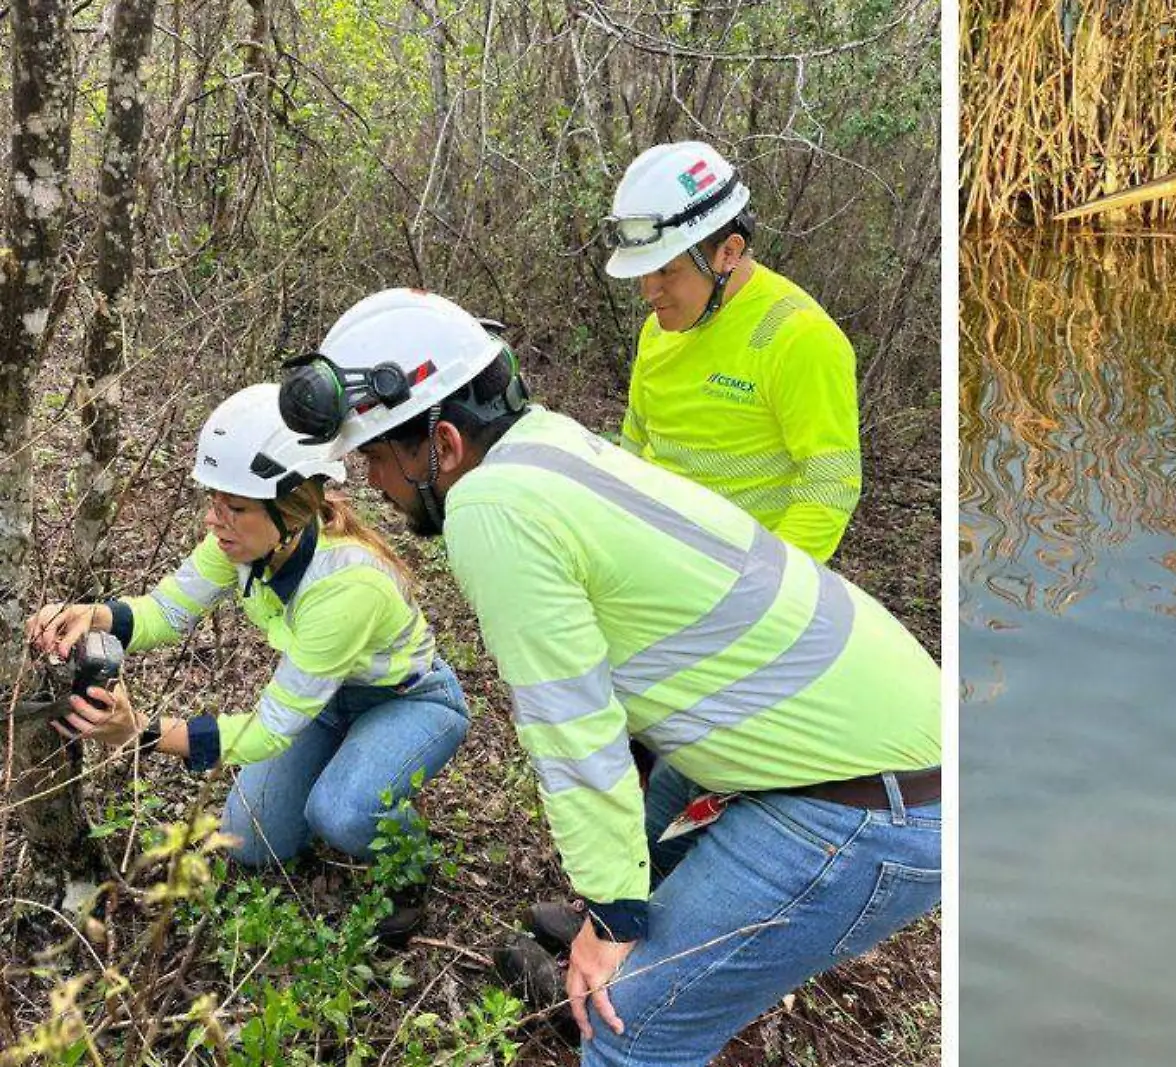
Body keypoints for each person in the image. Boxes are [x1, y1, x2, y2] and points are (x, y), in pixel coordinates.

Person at [277, 288, 940, 1064]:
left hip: (863, 806)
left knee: (634, 1028)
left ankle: (621, 980)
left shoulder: (491, 508)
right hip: (872, 727)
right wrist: (613, 897)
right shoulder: (550, 441)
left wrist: (614, 916)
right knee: (649, 842)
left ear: (444, 445)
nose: (377, 485)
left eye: (378, 457)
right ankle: (624, 946)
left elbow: (572, 727)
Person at [30, 384, 469, 942]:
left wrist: (140, 733)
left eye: (235, 507)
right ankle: (350, 777)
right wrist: (91, 615)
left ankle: (404, 856)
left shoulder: (346, 586)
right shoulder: (242, 542)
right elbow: (166, 611)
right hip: (330, 701)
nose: (217, 522)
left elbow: (268, 731)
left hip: (410, 702)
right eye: (215, 501)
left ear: (292, 508)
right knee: (252, 840)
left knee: (342, 814)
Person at [601, 141, 863, 563]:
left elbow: (829, 484)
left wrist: (767, 587)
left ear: (729, 252)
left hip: (741, 581)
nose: (648, 291)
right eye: (643, 272)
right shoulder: (659, 328)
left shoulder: (799, 338)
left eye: (666, 270)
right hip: (652, 567)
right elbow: (636, 441)